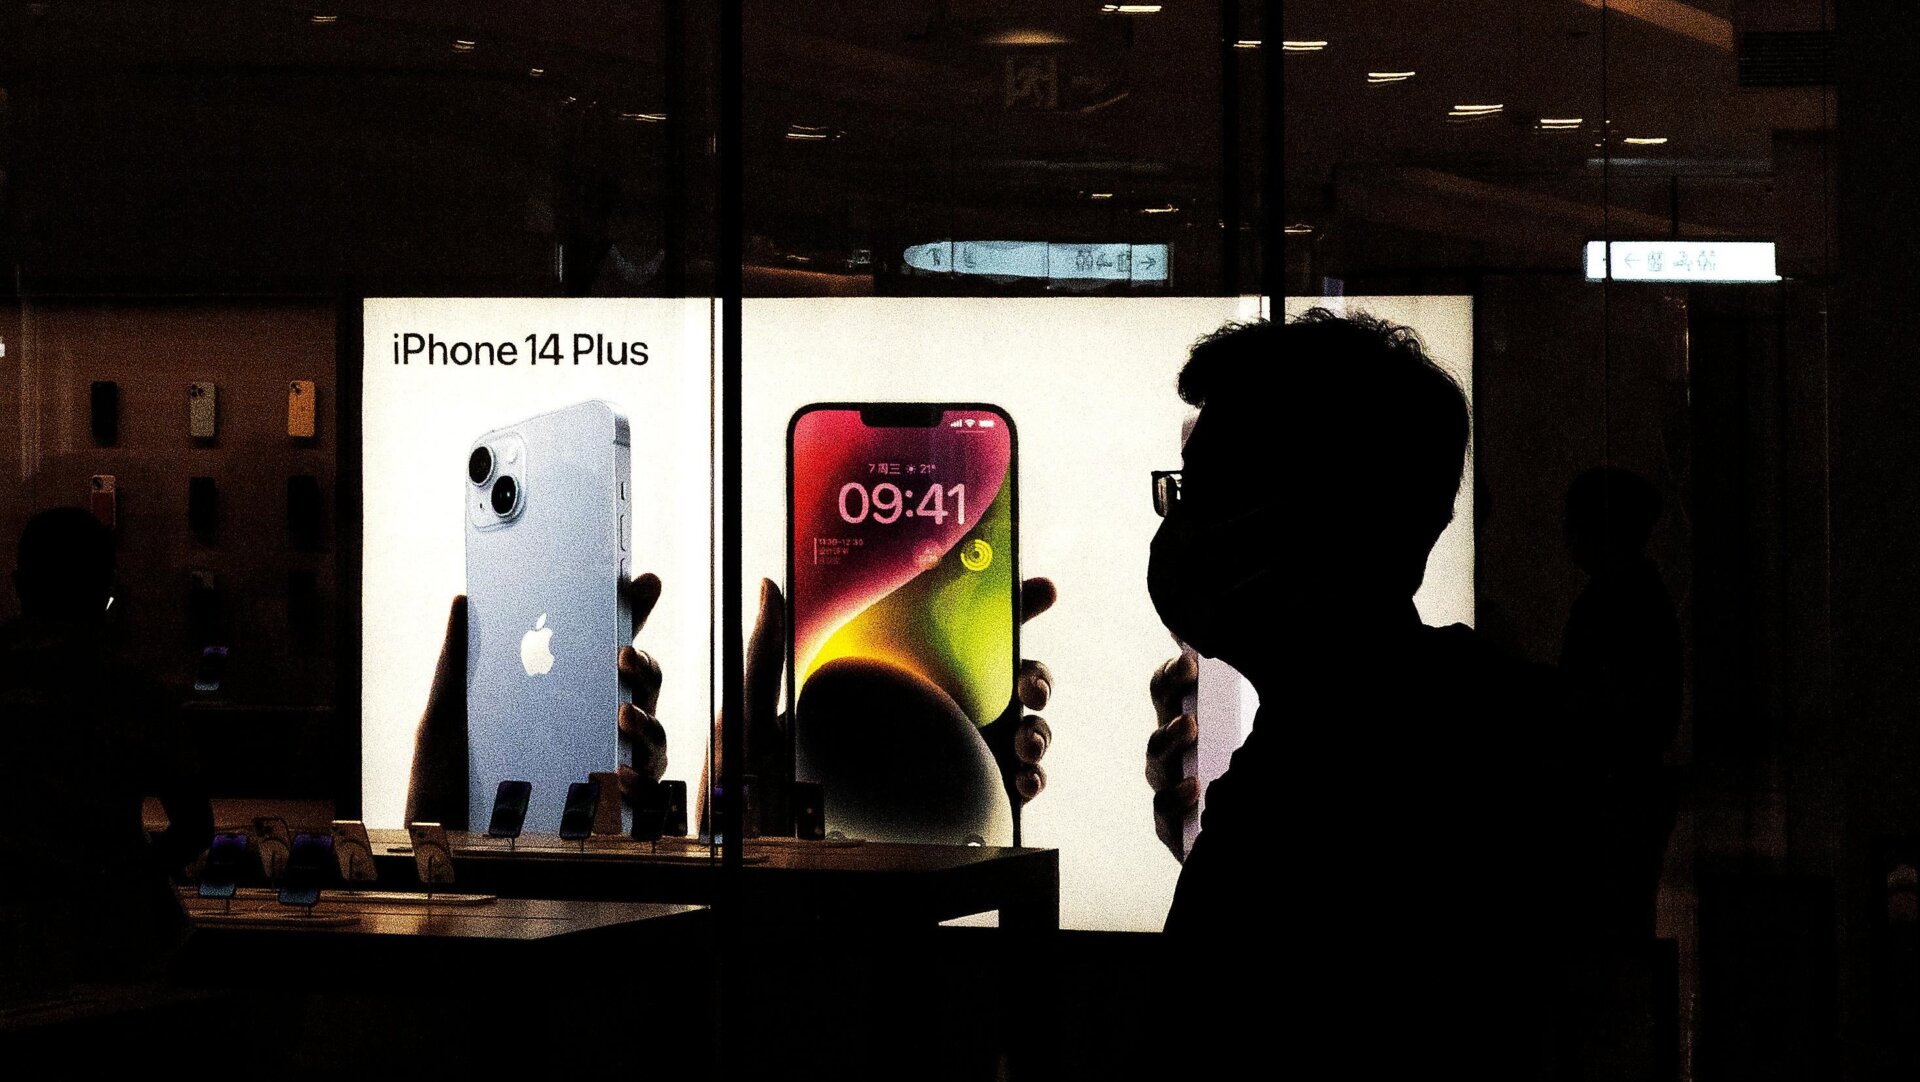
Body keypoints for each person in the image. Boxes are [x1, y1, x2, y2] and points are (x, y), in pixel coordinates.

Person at [1141, 313, 1595, 1073]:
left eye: (1209, 487)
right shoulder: (1453, 723)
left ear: (1318, 514)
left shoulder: (1360, 774)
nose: (1179, 524)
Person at [0, 507, 213, 991]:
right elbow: (194, 826)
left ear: (19, 585)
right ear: (106, 591)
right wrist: (123, 877)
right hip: (106, 945)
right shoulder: (131, 690)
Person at [1561, 467, 1682, 939]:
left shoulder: (1608, 604)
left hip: (1613, 794)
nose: (1565, 535)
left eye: (1573, 522)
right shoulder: (1642, 597)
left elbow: (1592, 702)